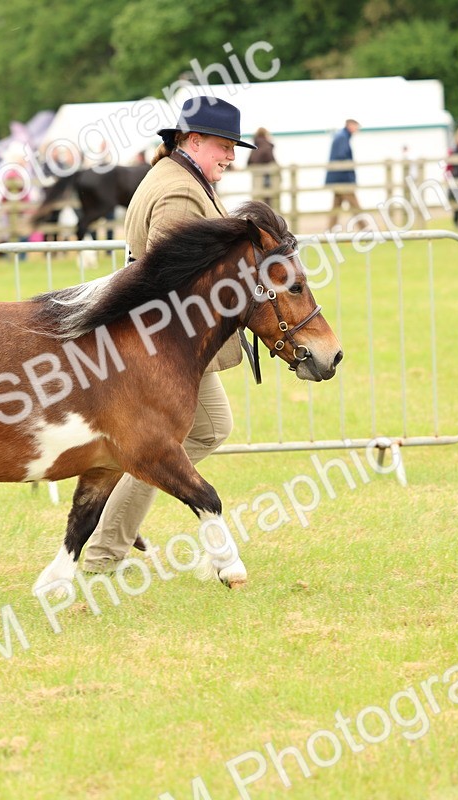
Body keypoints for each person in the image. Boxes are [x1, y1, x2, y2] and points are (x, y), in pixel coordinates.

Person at [81, 96, 256, 575]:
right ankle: (103, 549)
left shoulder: (182, 179)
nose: (231, 156)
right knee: (183, 440)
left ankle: (106, 537)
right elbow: (174, 281)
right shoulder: (179, 192)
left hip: (164, 344)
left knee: (196, 434)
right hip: (166, 346)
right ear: (193, 141)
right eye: (224, 146)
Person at [325, 119, 364, 230]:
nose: (357, 129)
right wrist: (350, 177)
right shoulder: (342, 137)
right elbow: (341, 158)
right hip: (343, 180)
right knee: (355, 206)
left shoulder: (341, 136)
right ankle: (366, 230)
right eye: (356, 126)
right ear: (350, 125)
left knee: (336, 207)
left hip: (338, 178)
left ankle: (329, 231)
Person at [246, 127, 277, 208]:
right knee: (268, 198)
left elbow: (249, 162)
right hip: (267, 175)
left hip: (256, 177)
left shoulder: (254, 146)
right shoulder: (267, 145)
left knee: (257, 198)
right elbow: (271, 160)